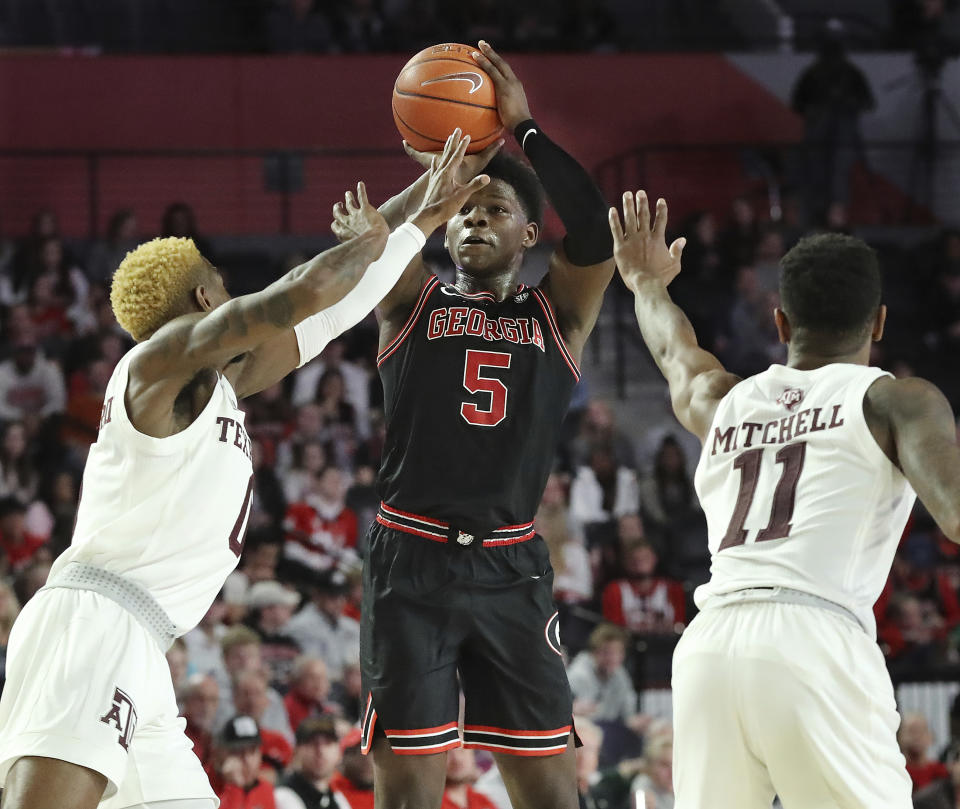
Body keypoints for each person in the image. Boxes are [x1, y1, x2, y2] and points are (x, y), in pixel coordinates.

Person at [0, 139, 488, 809]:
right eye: (227, 287)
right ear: (206, 296)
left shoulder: (220, 382)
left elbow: (331, 311)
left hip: (143, 644)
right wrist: (362, 242)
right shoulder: (154, 366)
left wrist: (424, 210)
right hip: (93, 621)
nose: (235, 296)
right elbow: (299, 293)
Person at [611, 190, 960, 807]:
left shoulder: (723, 399)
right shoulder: (895, 400)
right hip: (814, 638)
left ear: (779, 322)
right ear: (879, 322)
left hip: (711, 643)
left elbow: (673, 350)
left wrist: (643, 281)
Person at [337, 41, 614, 809]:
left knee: (555, 795)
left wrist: (522, 129)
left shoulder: (555, 314)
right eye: (463, 213)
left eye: (496, 210)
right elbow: (383, 245)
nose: (475, 222)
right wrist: (434, 178)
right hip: (410, 562)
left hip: (509, 565)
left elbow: (591, 228)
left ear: (530, 235)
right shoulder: (411, 301)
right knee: (408, 798)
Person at [273, 715, 346, 809]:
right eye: (312, 743)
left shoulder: (337, 797)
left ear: (339, 752)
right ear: (297, 750)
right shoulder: (283, 795)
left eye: (328, 743)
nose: (320, 751)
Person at [209, 715, 277, 809]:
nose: (247, 760)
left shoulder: (265, 790)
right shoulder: (207, 784)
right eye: (238, 751)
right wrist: (233, 785)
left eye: (252, 751)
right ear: (221, 753)